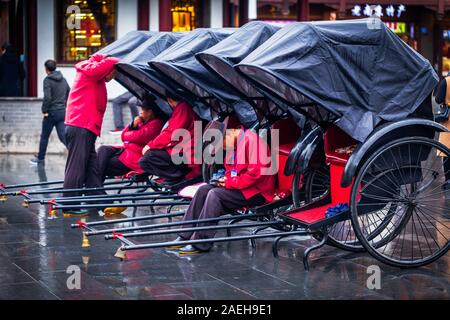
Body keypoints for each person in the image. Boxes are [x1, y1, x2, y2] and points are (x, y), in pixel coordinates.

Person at [170, 125, 276, 254]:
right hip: (239, 186)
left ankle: (201, 242)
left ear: (228, 135)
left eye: (223, 145)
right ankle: (184, 235)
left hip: (257, 191)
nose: (224, 148)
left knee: (215, 194)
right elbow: (230, 170)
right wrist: (224, 180)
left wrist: (229, 183)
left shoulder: (253, 142)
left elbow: (255, 174)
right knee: (204, 190)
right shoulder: (234, 143)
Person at [63, 53, 120, 214]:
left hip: (86, 127)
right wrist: (118, 57)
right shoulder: (91, 71)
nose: (112, 76)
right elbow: (105, 63)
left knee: (91, 167)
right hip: (81, 125)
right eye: (113, 73)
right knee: (77, 167)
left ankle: (99, 200)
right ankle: (69, 205)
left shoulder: (93, 74)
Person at [95, 95, 166, 215]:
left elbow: (136, 137)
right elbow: (124, 135)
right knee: (102, 149)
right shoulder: (141, 122)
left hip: (133, 159)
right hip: (126, 151)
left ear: (151, 112)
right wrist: (132, 125)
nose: (140, 112)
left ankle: (96, 190)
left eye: (143, 110)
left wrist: (130, 135)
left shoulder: (156, 124)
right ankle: (97, 190)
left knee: (98, 165)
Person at [139, 92, 201, 185]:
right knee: (144, 161)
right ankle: (173, 177)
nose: (141, 112)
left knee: (149, 156)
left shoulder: (183, 108)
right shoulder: (181, 109)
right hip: (180, 150)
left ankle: (178, 177)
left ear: (169, 100)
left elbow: (172, 133)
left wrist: (151, 145)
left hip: (186, 153)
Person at [30, 60, 70, 165]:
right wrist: (64, 105)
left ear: (46, 69)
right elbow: (69, 93)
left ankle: (40, 158)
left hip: (51, 113)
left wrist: (44, 110)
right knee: (62, 136)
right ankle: (75, 153)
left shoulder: (47, 80)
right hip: (62, 112)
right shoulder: (64, 80)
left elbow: (47, 97)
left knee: (44, 136)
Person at [434, 74, 450, 193]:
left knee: (447, 151)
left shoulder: (447, 81)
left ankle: (449, 180)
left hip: (449, 120)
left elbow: (438, 99)